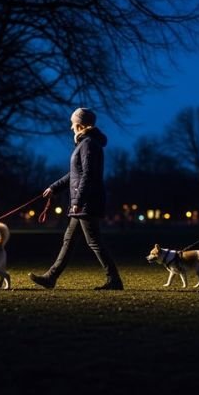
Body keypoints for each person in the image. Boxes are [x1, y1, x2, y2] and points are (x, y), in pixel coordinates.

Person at [29, 108, 124, 290]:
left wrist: (77, 202)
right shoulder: (86, 144)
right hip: (84, 202)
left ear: (80, 125)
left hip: (87, 202)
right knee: (69, 240)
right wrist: (54, 188)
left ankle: (114, 280)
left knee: (94, 242)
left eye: (73, 124)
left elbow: (88, 175)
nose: (71, 128)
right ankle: (51, 277)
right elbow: (75, 174)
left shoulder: (88, 144)